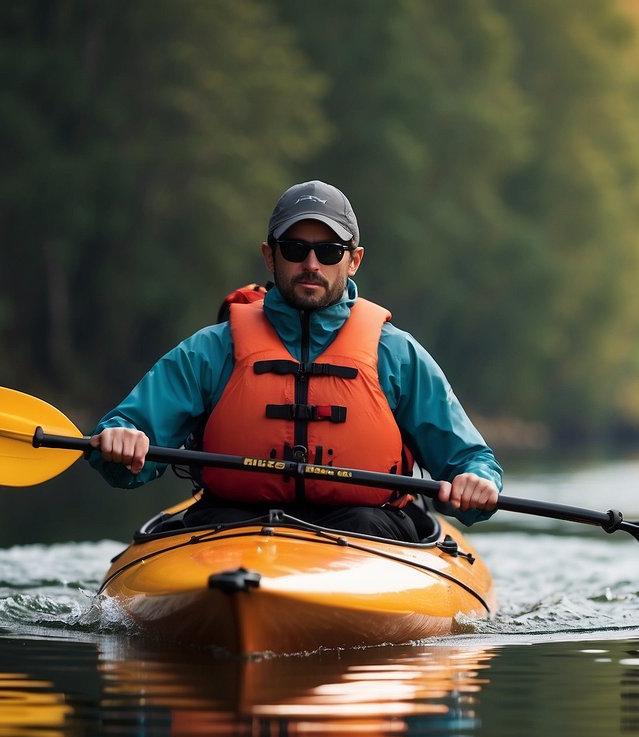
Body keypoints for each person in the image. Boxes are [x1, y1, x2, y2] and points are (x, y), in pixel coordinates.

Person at [89, 180, 501, 540]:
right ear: (270, 256)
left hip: (366, 527)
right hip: (233, 522)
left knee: (362, 521)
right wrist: (122, 440)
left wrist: (475, 483)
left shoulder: (396, 354)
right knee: (220, 519)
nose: (311, 264)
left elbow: (470, 458)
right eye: (295, 248)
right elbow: (126, 432)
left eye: (328, 251)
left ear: (354, 260)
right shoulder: (212, 350)